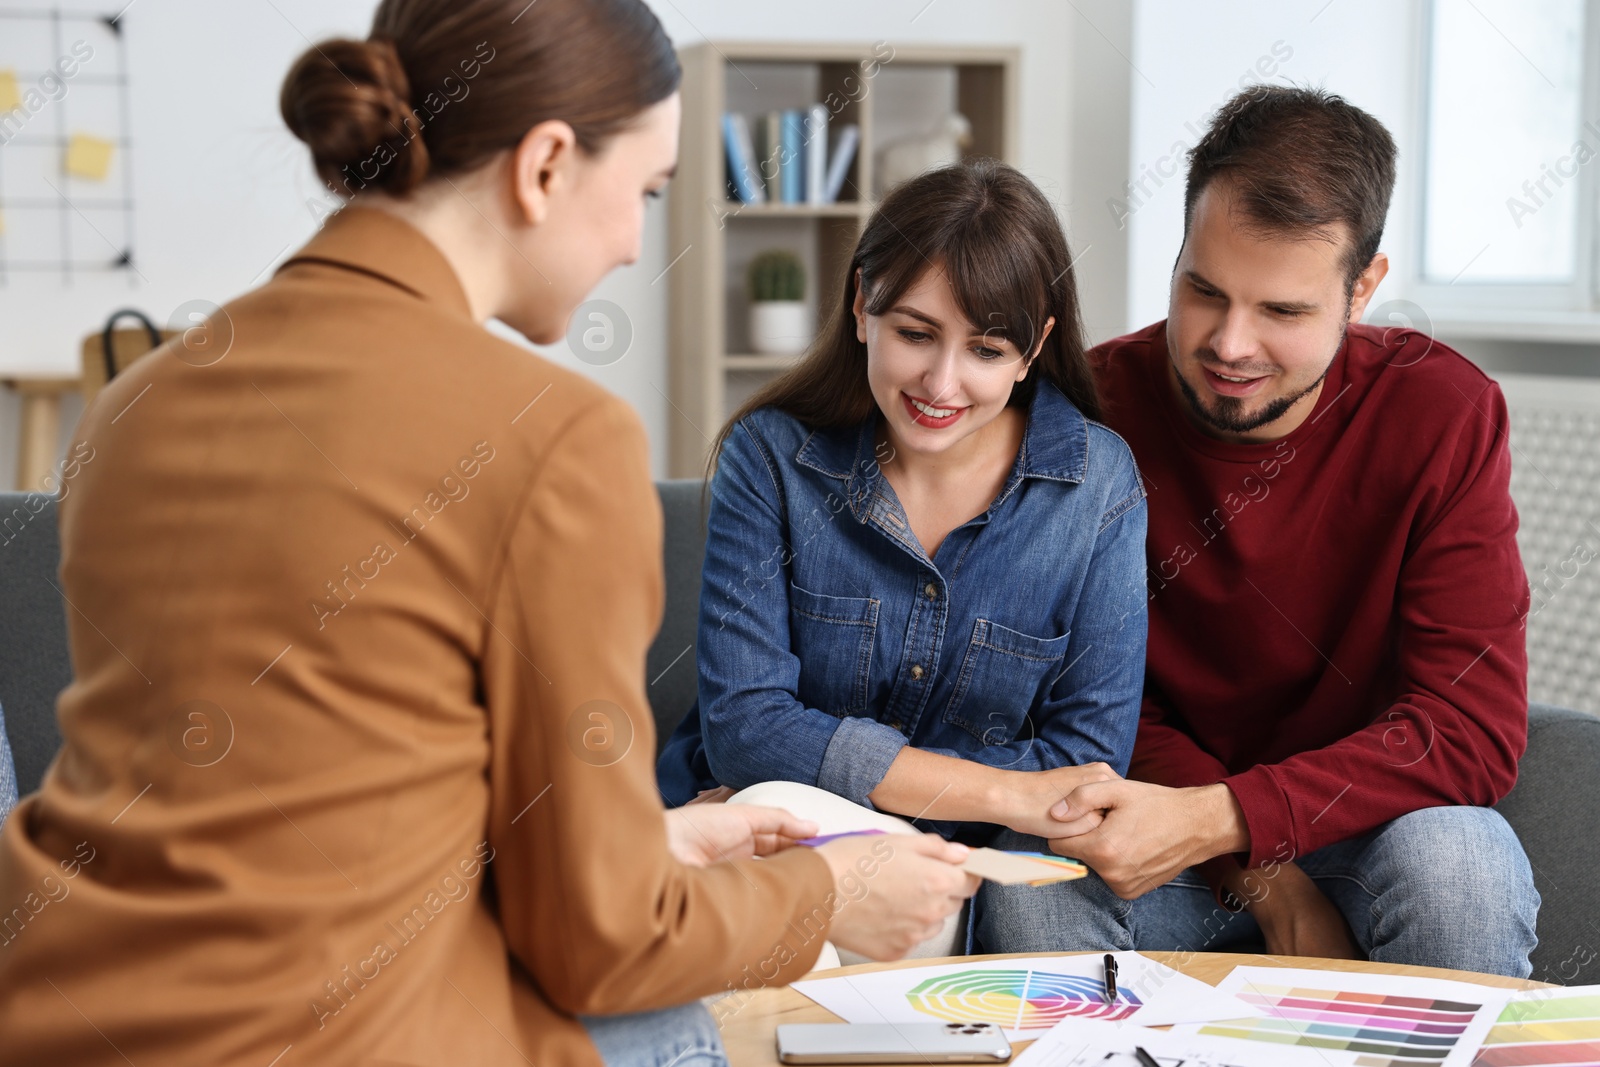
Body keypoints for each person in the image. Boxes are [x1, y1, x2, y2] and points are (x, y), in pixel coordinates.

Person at [0, 2, 978, 1064]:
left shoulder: (134, 402)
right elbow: (600, 945)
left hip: (65, 1009)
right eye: (645, 191)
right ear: (546, 163)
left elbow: (279, 820)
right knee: (665, 1020)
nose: (634, 241)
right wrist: (822, 889)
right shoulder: (552, 436)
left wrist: (644, 840)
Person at [975, 85, 1539, 978]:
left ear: (1363, 289)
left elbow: (1467, 725)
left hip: (1366, 831)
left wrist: (1229, 818)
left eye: (1282, 312)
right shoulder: (1091, 408)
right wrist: (1267, 879)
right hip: (1156, 831)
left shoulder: (1444, 414)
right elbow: (1072, 695)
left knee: (1461, 865)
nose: (1230, 344)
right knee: (1031, 874)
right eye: (1203, 290)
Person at [658, 161, 1148, 870]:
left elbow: (1085, 766)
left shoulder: (1097, 487)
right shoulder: (769, 455)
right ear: (862, 305)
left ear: (1033, 349)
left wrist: (839, 768)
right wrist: (1007, 794)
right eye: (916, 333)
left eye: (986, 349)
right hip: (762, 839)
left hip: (962, 868)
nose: (941, 384)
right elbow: (744, 731)